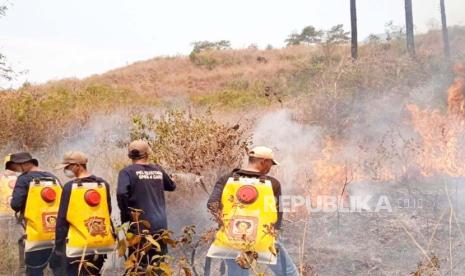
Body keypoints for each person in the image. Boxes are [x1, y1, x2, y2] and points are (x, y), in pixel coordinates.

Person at [206, 146, 298, 276]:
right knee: (288, 272)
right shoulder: (273, 184)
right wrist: (274, 232)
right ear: (264, 161)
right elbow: (278, 212)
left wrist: (224, 223)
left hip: (231, 240)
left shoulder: (226, 179)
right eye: (270, 164)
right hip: (262, 239)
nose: (270, 167)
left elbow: (212, 204)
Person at [55, 151, 115, 276]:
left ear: (77, 166)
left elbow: (62, 220)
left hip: (77, 247)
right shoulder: (103, 184)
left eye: (67, 167)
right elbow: (107, 212)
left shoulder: (69, 187)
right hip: (100, 243)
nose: (66, 170)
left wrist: (59, 247)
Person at [117, 140, 176, 264]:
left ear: (130, 155)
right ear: (147, 153)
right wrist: (171, 178)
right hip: (160, 228)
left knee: (138, 265)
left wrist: (126, 216)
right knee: (159, 264)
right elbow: (171, 186)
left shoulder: (127, 172)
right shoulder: (158, 170)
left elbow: (122, 193)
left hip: (138, 228)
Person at [7, 152, 62, 276]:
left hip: (34, 235)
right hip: (56, 234)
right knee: (58, 269)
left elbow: (16, 205)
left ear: (25, 164)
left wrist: (11, 199)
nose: (17, 170)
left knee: (33, 270)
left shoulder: (24, 179)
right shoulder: (53, 177)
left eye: (17, 166)